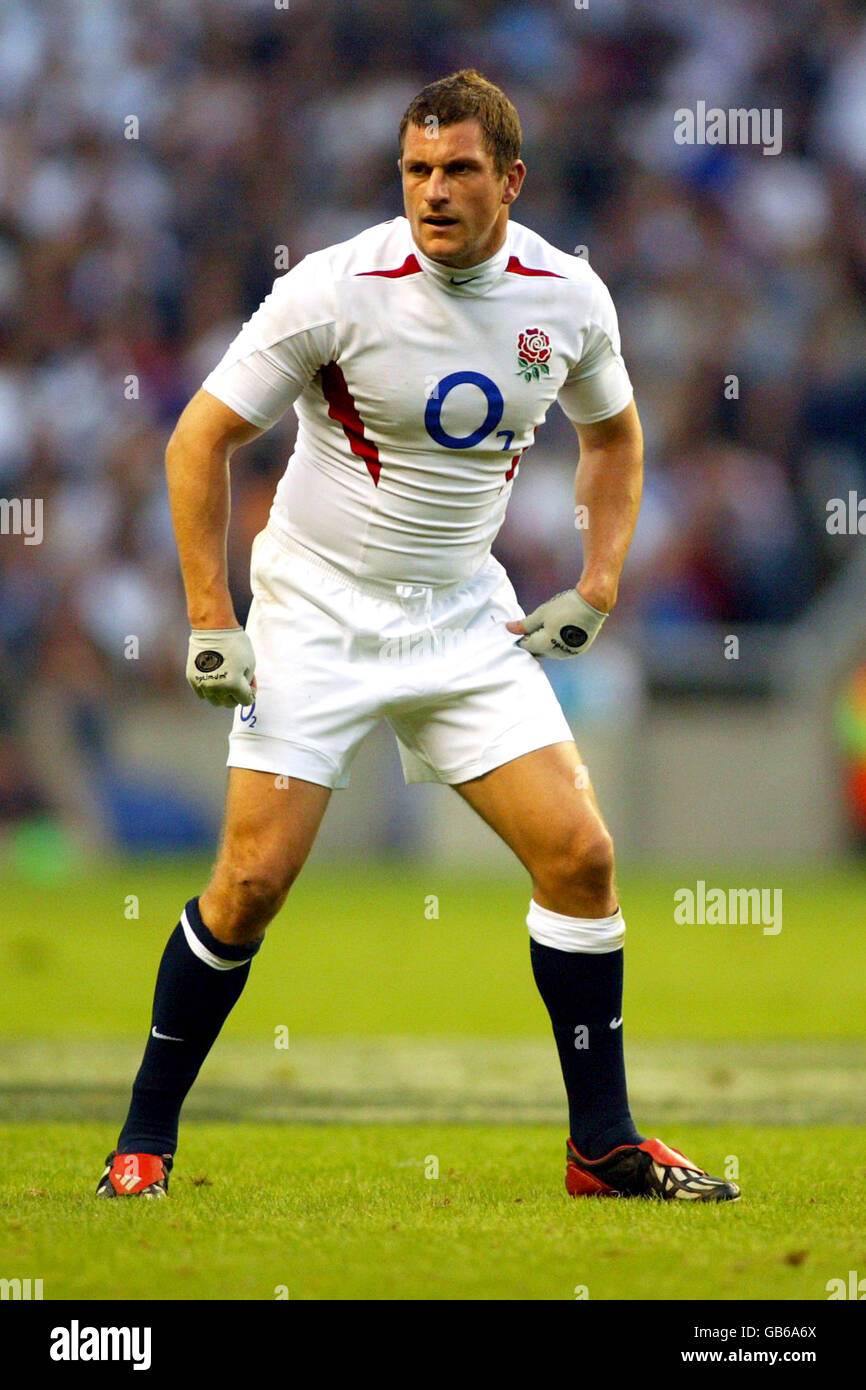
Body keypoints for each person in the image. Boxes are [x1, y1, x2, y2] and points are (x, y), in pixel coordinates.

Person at [97, 70, 739, 1203]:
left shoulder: (569, 296)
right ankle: (141, 1144)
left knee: (581, 858)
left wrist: (595, 585)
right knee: (250, 882)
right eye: (416, 170)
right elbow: (198, 439)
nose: (433, 191)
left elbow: (614, 437)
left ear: (511, 180)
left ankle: (602, 1148)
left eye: (458, 170)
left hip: (460, 616)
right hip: (316, 611)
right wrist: (210, 617)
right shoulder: (334, 289)